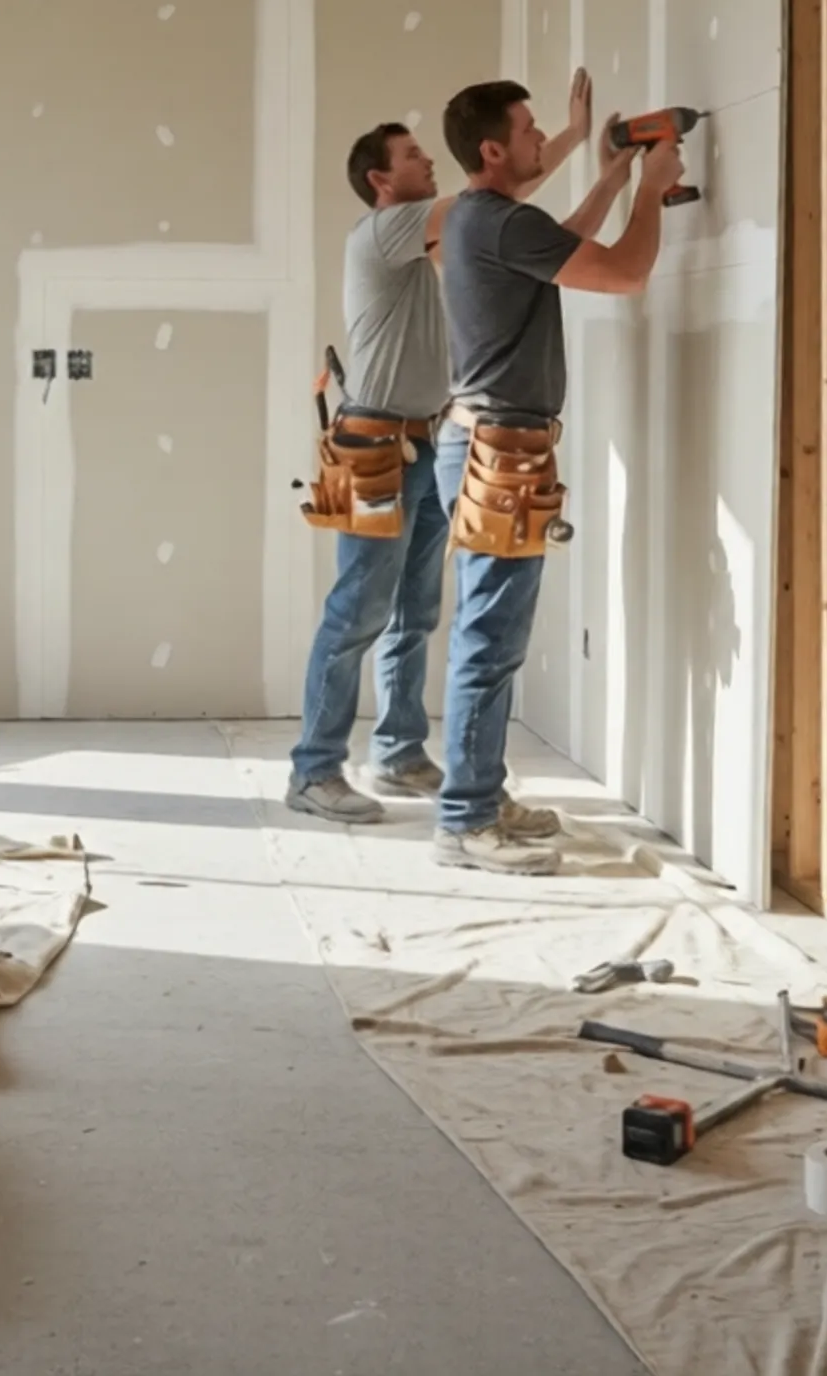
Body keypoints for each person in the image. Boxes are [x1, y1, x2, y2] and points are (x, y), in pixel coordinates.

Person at [287, 82, 590, 824]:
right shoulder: (384, 230)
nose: (428, 161)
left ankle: (396, 751)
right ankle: (313, 771)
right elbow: (493, 191)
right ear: (379, 181)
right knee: (356, 610)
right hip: (370, 443)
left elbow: (499, 203)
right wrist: (577, 141)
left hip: (426, 442)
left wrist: (578, 142)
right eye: (413, 155)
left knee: (414, 611)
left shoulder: (425, 239)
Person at [429, 74, 680, 872]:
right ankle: (465, 821)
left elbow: (564, 243)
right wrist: (652, 189)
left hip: (489, 447)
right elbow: (623, 271)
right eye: (533, 132)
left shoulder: (487, 223)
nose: (544, 143)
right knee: (488, 639)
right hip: (497, 452)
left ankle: (479, 792)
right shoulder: (497, 221)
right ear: (494, 149)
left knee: (489, 635)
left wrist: (611, 175)